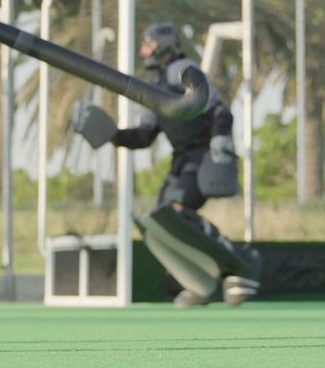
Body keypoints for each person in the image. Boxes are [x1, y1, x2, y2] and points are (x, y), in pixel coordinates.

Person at [72, 22, 261, 307]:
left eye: (148, 44)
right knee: (158, 222)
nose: (143, 50)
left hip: (202, 154)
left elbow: (220, 111)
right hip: (181, 159)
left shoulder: (181, 70)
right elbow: (144, 136)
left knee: (176, 211)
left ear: (163, 45)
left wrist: (220, 143)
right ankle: (200, 281)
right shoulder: (156, 88)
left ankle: (242, 263)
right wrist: (111, 135)